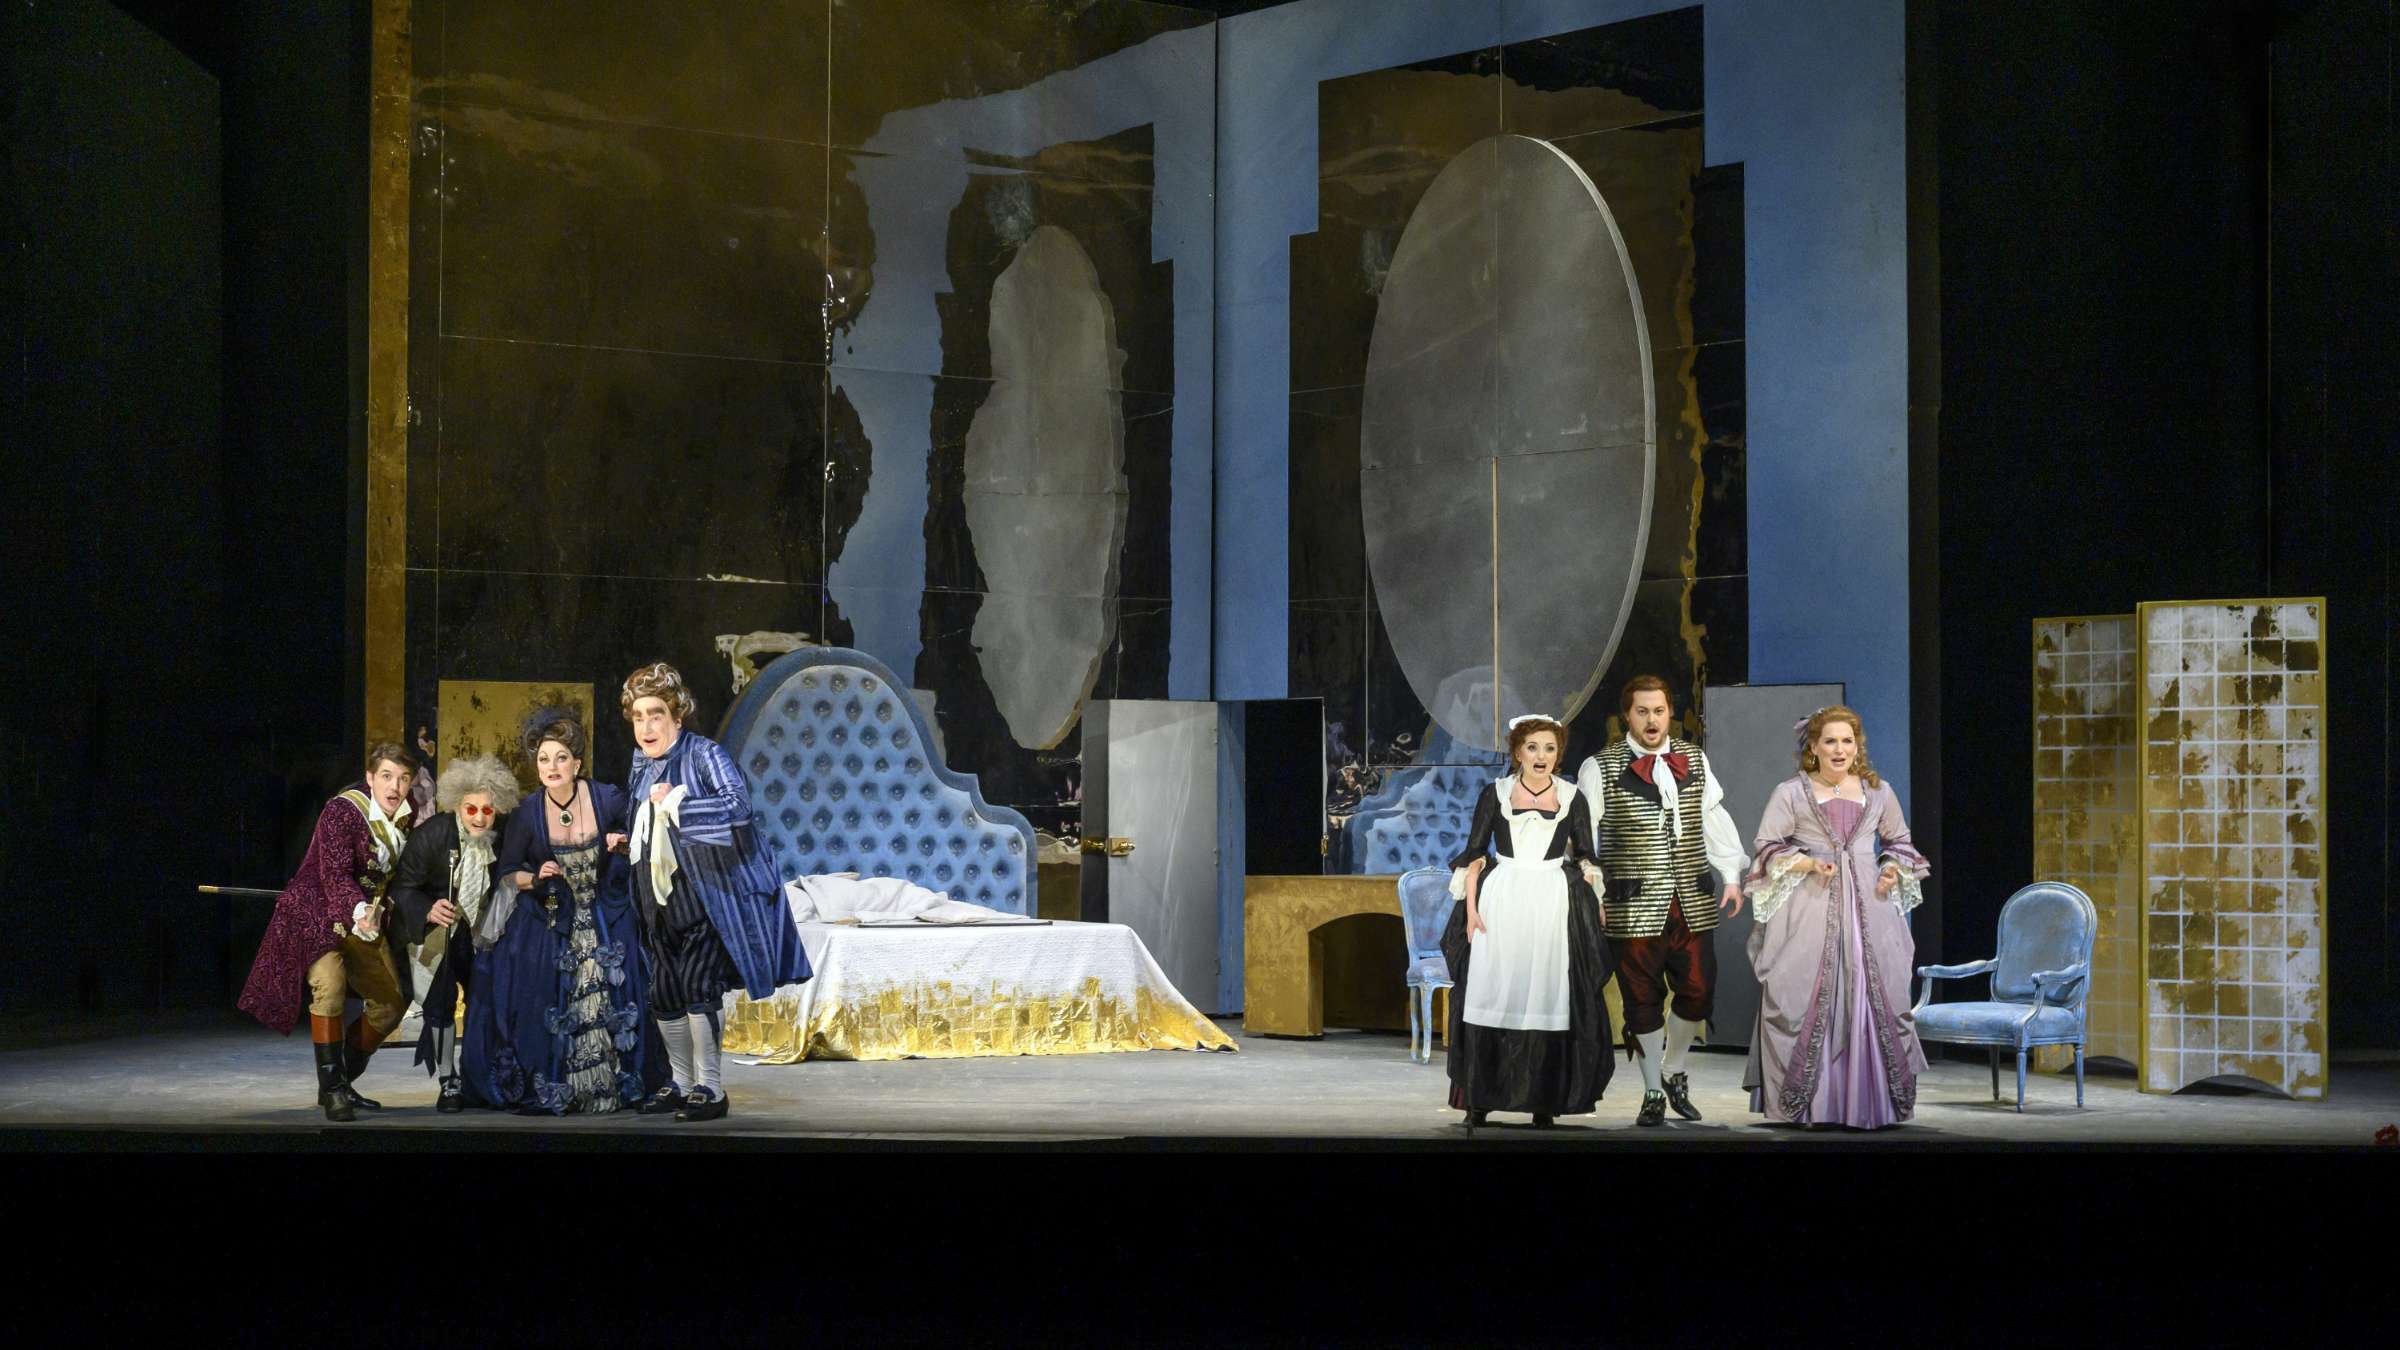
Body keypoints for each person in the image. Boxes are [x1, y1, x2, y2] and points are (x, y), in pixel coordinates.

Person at [621, 662, 811, 1122]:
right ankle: (680, 1082)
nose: (646, 727)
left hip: (704, 893)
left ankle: (710, 1087)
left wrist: (680, 800)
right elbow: (648, 825)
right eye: (639, 716)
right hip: (655, 898)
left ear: (676, 715)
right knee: (665, 990)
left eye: (656, 715)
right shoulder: (640, 764)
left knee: (697, 985)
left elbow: (738, 807)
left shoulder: (704, 754)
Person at [1574, 674, 1752, 1126]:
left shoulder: (1694, 758)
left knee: (1699, 990)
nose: (1651, 720)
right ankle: (1653, 1087)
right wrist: (1594, 892)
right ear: (1626, 716)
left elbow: (1712, 817)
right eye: (1642, 712)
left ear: (1670, 712)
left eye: (1658, 711)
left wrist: (1731, 875)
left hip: (1690, 897)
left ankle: (1674, 1068)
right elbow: (1584, 837)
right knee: (1641, 998)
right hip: (1630, 902)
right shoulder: (1600, 766)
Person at [1741, 705, 1931, 1128]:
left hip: (1870, 907)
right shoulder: (1791, 792)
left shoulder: (1878, 792)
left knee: (1876, 990)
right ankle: (1813, 1103)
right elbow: (1767, 844)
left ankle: (1869, 1102)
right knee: (1800, 992)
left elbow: (1900, 841)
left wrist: (1890, 868)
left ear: (1857, 746)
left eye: (1847, 741)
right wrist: (1808, 863)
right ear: (1814, 747)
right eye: (1830, 741)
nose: (1840, 749)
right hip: (1811, 904)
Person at [473, 711, 664, 1115]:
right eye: (544, 759)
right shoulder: (527, 812)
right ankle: (565, 1087)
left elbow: (645, 832)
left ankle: (618, 1084)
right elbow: (508, 873)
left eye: (561, 758)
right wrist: (535, 876)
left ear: (576, 764)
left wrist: (622, 841)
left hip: (605, 915)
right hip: (552, 920)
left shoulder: (607, 798)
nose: (552, 767)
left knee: (625, 992)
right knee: (543, 1000)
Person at [1440, 714, 1613, 1130]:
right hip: (1503, 899)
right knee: (1495, 988)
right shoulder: (1496, 793)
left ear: (1558, 754)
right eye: (1533, 747)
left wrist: (1595, 897)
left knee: (1546, 993)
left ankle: (1543, 1100)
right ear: (1518, 751)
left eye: (1549, 748)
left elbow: (1585, 854)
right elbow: (1475, 852)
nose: (1541, 755)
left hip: (1552, 901)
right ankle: (1480, 1098)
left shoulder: (1572, 797)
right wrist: (1471, 908)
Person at [237, 741, 418, 1122]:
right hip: (319, 915)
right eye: (387, 776)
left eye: (403, 778)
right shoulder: (342, 811)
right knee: (330, 988)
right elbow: (334, 875)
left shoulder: (408, 811)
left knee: (390, 1005)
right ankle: (333, 1089)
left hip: (365, 920)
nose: (395, 786)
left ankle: (341, 1082)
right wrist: (359, 910)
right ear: (370, 778)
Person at [387, 753, 517, 1112]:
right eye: (471, 809)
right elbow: (402, 887)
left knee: (485, 1000)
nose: (479, 818)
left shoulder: (502, 836)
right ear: (458, 805)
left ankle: (481, 1073)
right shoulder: (432, 835)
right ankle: (449, 1080)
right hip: (438, 929)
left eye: (487, 810)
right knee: (439, 1002)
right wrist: (428, 908)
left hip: (481, 931)